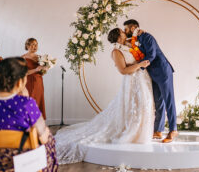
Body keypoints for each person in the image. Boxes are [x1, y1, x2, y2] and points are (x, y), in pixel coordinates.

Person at [55, 28, 154, 164]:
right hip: (132, 81)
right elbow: (123, 70)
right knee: (134, 106)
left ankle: (141, 133)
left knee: (144, 105)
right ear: (119, 37)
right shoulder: (116, 52)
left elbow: (138, 44)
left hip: (142, 78)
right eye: (122, 32)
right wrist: (140, 65)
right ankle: (131, 132)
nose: (125, 32)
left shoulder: (129, 44)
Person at [0, 57, 58, 171]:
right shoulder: (26, 104)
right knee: (48, 138)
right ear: (20, 81)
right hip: (17, 164)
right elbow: (43, 136)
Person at [124, 19, 177, 143]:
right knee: (158, 101)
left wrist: (138, 67)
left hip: (163, 71)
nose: (125, 31)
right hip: (152, 73)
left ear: (132, 28)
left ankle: (173, 130)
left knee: (169, 100)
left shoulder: (147, 37)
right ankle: (158, 130)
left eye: (126, 29)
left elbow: (152, 55)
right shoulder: (136, 39)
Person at [22, 38, 48, 119]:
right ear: (27, 45)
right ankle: (28, 126)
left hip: (38, 82)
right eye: (32, 44)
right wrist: (36, 69)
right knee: (29, 102)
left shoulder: (40, 57)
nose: (35, 46)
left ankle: (38, 126)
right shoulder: (23, 57)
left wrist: (44, 69)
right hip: (28, 82)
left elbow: (41, 72)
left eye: (36, 44)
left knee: (38, 101)